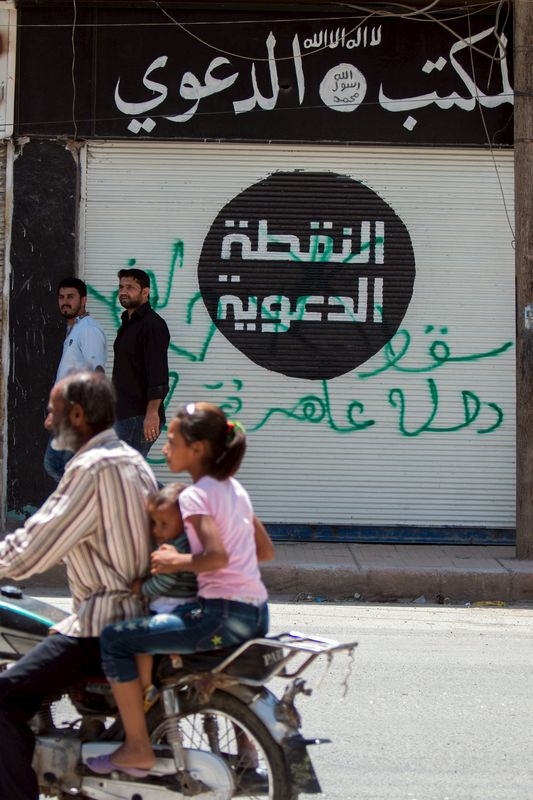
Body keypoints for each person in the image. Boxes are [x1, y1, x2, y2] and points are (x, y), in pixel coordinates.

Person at [88, 401, 275, 776]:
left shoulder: (195, 496)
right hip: (256, 613)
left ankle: (137, 746)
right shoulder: (234, 488)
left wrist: (177, 562)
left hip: (220, 615)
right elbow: (265, 551)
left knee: (116, 639)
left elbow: (216, 556)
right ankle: (245, 750)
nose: (163, 448)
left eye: (171, 441)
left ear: (198, 449)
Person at [0, 371, 158, 800]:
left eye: (53, 413)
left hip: (103, 622)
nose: (48, 423)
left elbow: (36, 546)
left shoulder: (90, 468)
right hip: (137, 612)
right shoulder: (132, 460)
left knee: (5, 700)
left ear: (76, 414)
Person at [133, 482, 197, 709]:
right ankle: (173, 655)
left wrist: (141, 589)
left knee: (138, 643)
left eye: (163, 524)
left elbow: (164, 581)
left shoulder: (169, 551)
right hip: (186, 605)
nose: (156, 531)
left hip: (167, 606)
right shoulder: (190, 543)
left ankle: (146, 687)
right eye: (154, 524)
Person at [44, 277, 107, 482]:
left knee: (61, 466)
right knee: (59, 466)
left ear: (84, 300)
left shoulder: (88, 330)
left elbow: (97, 373)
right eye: (61, 297)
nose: (65, 302)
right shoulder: (74, 330)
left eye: (71, 297)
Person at [113, 267, 170, 458]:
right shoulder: (129, 324)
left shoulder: (152, 325)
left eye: (130, 287)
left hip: (139, 416)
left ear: (145, 292)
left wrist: (152, 414)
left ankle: (175, 491)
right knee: (128, 477)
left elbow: (158, 374)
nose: (123, 292)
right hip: (124, 414)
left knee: (124, 474)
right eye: (121, 287)